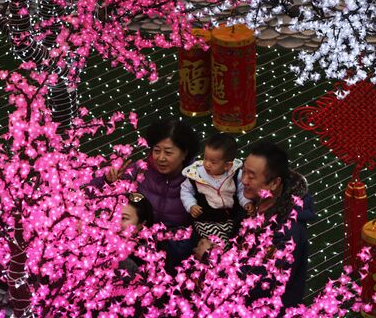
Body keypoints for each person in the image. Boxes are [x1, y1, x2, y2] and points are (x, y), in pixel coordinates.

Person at [193, 140, 316, 308]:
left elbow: (261, 284)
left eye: (252, 176)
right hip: (229, 290)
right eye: (243, 172)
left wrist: (213, 257)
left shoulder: (288, 233)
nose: (243, 180)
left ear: (274, 183)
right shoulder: (253, 202)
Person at [95, 118, 200, 273]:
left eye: (168, 152)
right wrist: (108, 181)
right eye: (157, 151)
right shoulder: (141, 169)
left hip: (174, 248)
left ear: (184, 153)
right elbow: (93, 191)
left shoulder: (197, 179)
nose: (161, 158)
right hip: (136, 239)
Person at [180, 133, 254, 243]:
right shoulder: (196, 175)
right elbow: (185, 190)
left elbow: (241, 190)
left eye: (213, 162)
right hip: (205, 220)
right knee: (216, 243)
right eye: (205, 158)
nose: (207, 164)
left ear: (227, 166)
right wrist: (191, 205)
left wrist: (246, 202)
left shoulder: (235, 173)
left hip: (230, 219)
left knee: (237, 236)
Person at [117, 192, 154, 281]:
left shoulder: (145, 259)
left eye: (124, 218)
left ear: (141, 224)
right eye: (114, 215)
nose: (116, 223)